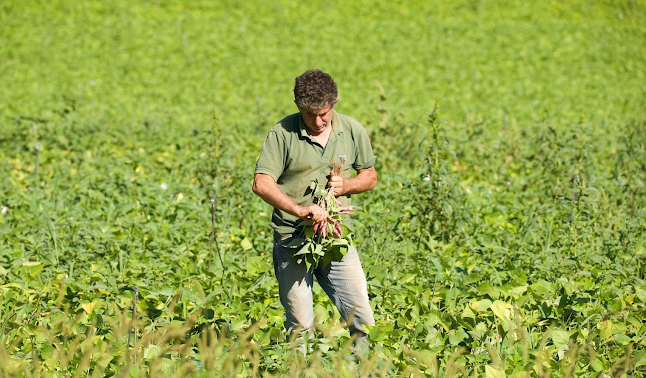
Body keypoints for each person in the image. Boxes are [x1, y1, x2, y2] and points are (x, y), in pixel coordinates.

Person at [252, 69, 377, 348]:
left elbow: (370, 176)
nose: (318, 122)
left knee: (362, 318)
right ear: (298, 106)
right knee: (300, 325)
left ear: (334, 103)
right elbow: (261, 183)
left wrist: (346, 185)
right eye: (310, 115)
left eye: (324, 114)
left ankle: (367, 365)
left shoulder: (352, 130)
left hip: (335, 238)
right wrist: (299, 210)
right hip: (292, 239)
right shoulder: (282, 133)